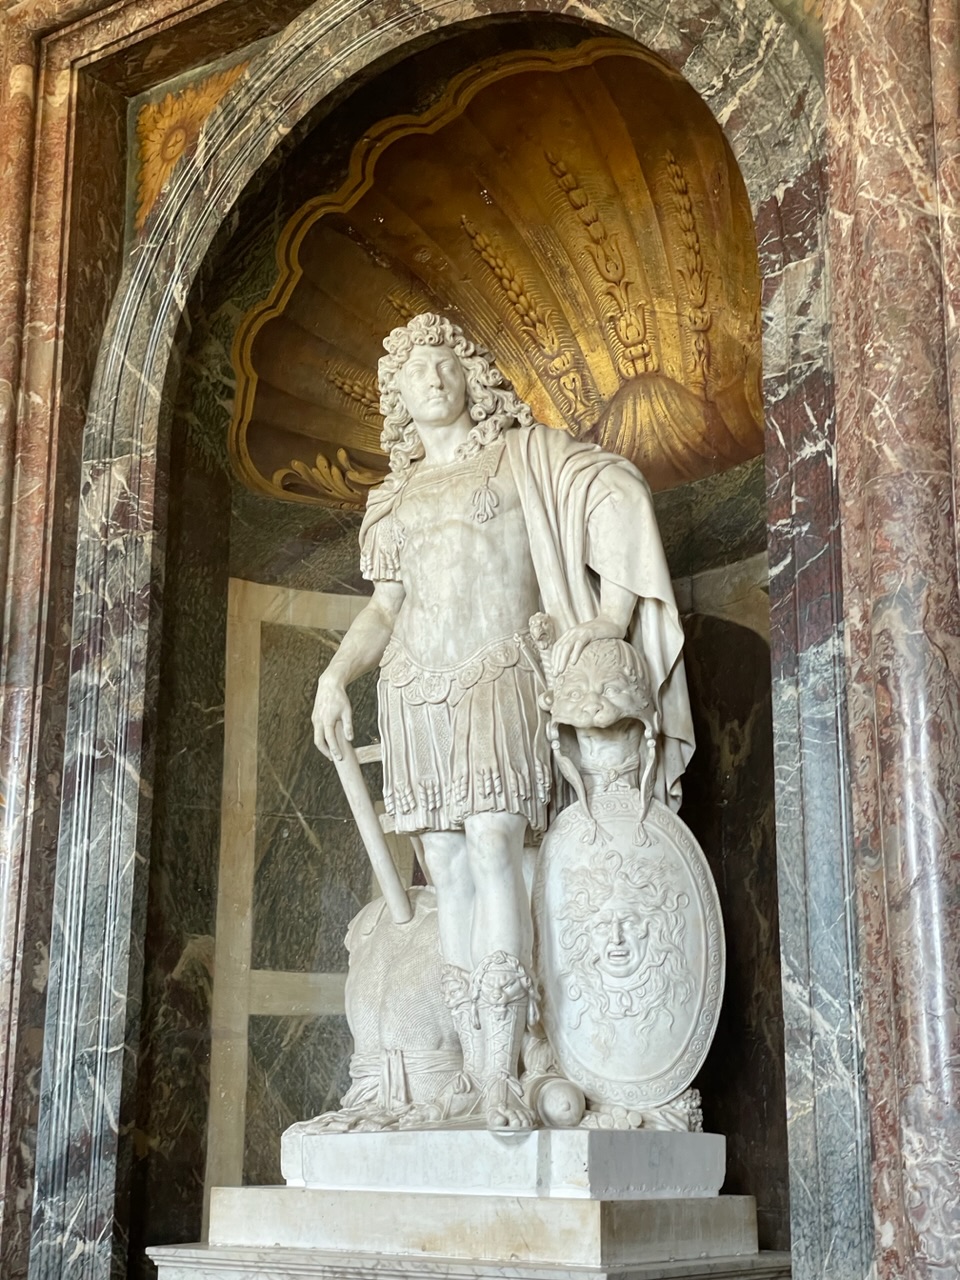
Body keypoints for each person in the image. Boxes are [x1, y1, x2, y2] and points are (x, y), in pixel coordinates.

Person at [313, 313, 692, 1128]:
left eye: (444, 364)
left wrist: (608, 620)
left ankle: (507, 1066)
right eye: (415, 372)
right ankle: (471, 1067)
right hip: (414, 689)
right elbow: (384, 609)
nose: (433, 378)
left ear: (471, 377)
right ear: (397, 398)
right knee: (445, 870)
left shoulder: (525, 458)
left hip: (501, 677)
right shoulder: (392, 498)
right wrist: (336, 675)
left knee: (497, 850)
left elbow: (619, 494)